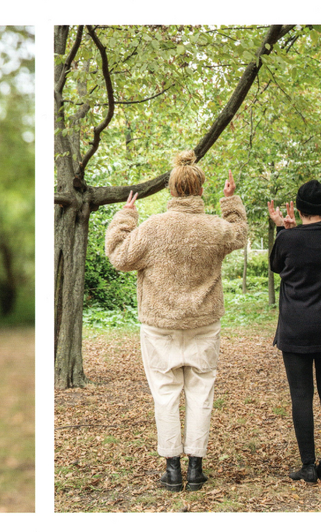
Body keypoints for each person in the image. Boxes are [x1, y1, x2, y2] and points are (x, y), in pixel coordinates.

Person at [105, 150, 248, 492]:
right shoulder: (215, 227)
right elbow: (240, 234)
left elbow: (118, 255)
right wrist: (230, 202)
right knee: (201, 393)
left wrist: (126, 216)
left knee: (165, 395)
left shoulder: (153, 229)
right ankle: (195, 469)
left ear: (171, 190)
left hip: (160, 326)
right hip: (203, 323)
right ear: (200, 190)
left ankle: (172, 470)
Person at [268, 179, 321, 483]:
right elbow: (314, 235)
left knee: (301, 395)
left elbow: (277, 265)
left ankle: (308, 465)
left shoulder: (288, 240)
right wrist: (293, 230)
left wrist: (281, 229)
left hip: (297, 328)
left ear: (298, 208)